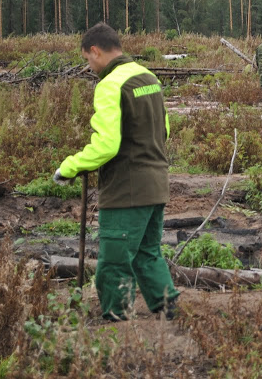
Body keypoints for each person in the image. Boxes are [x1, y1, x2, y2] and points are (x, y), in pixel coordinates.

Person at [53, 23, 178, 321]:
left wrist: (69, 167)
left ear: (95, 51)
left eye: (87, 59)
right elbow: (165, 130)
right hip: (157, 184)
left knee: (114, 259)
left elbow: (106, 145)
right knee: (147, 253)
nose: (89, 65)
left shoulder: (110, 85)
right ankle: (168, 307)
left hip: (126, 190)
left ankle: (115, 318)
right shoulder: (148, 77)